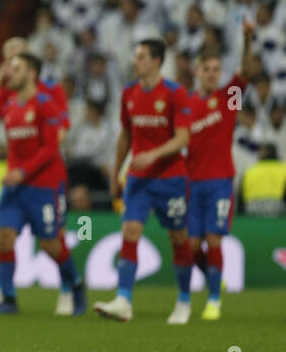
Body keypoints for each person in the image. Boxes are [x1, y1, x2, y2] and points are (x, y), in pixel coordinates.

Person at [0, 53, 83, 315]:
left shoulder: (46, 104)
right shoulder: (9, 102)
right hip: (15, 186)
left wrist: (22, 172)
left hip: (44, 184)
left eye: (17, 69)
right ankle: (7, 299)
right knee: (4, 237)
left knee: (50, 244)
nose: (10, 73)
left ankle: (75, 283)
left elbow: (50, 148)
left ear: (32, 73)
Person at [95, 39, 193, 323]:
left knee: (178, 237)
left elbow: (183, 137)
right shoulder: (129, 92)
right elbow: (125, 134)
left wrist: (154, 154)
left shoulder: (175, 93)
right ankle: (123, 300)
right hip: (138, 178)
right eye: (135, 55)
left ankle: (184, 300)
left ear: (156, 61)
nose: (135, 61)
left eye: (141, 57)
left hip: (170, 178)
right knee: (130, 230)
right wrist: (116, 173)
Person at [182, 21, 254, 322]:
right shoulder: (185, 104)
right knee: (189, 244)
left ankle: (213, 300)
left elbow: (247, 73)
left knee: (213, 239)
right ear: (197, 71)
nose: (212, 73)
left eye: (216, 69)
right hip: (191, 183)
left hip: (220, 181)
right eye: (207, 68)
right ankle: (214, 279)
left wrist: (248, 40)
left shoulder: (229, 99)